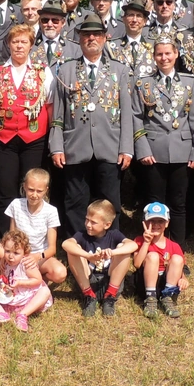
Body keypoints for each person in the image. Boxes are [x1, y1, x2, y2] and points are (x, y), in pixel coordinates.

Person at [50, 14, 134, 236]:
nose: (91, 38)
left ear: (105, 38)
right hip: (75, 147)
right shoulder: (65, 70)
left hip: (110, 146)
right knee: (75, 202)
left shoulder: (120, 70)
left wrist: (126, 148)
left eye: (96, 34)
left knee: (109, 203)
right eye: (86, 34)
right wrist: (57, 146)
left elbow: (127, 113)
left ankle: (109, 250)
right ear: (79, 39)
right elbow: (58, 114)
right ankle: (77, 249)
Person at [0, 24, 54, 233]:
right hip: (2, 139)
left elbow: (49, 106)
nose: (19, 46)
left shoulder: (42, 72)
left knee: (30, 189)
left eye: (24, 42)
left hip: (34, 140)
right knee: (5, 189)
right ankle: (5, 234)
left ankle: (30, 234)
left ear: (31, 45)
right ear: (8, 44)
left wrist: (51, 138)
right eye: (15, 41)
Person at [132, 37, 194, 249]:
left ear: (176, 54)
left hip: (182, 150)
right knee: (154, 205)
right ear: (154, 57)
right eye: (159, 54)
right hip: (153, 151)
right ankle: (153, 250)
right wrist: (142, 148)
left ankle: (177, 252)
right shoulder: (143, 83)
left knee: (179, 204)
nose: (164, 58)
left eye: (168, 53)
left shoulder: (189, 82)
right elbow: (137, 117)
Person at [0, 168, 67, 284]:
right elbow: (12, 237)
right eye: (31, 190)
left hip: (37, 256)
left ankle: (36, 283)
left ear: (46, 190)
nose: (34, 195)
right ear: (24, 187)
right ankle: (2, 282)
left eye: (39, 191)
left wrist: (36, 257)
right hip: (15, 252)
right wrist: (6, 256)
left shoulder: (51, 211)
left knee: (60, 273)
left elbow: (52, 249)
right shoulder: (16, 204)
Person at [61, 199, 137, 317]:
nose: (88, 225)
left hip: (110, 281)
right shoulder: (82, 235)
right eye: (87, 219)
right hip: (89, 281)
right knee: (73, 249)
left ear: (107, 224)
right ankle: (89, 297)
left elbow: (133, 245)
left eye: (93, 222)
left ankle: (109, 297)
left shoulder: (114, 235)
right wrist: (88, 256)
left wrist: (113, 252)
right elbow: (65, 244)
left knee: (124, 248)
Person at [0, 230, 53, 332]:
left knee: (45, 292)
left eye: (16, 253)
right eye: (7, 251)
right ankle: (1, 314)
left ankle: (22, 315)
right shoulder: (5, 262)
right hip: (10, 296)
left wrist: (20, 283)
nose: (11, 256)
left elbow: (37, 280)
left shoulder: (26, 263)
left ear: (25, 253)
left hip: (27, 296)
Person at [133, 203, 187, 319]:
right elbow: (137, 264)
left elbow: (180, 266)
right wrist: (146, 243)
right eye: (152, 221)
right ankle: (151, 299)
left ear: (167, 223)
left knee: (177, 258)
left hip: (166, 282)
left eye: (160, 221)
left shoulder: (174, 246)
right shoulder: (139, 241)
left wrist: (183, 278)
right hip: (146, 283)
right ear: (145, 222)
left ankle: (167, 296)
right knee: (153, 256)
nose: (156, 224)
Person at [104, 0, 156, 80]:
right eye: (131, 15)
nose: (134, 20)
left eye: (139, 16)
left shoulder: (154, 46)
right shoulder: (111, 47)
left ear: (145, 21)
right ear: (124, 19)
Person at [29, 1, 78, 71]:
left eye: (55, 20)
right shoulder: (29, 46)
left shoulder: (75, 49)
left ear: (63, 22)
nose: (49, 24)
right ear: (40, 22)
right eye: (45, 20)